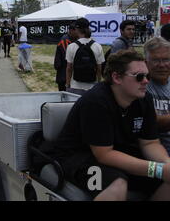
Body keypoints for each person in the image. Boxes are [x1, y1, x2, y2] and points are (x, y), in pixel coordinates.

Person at [51, 50, 170, 201]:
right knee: (116, 184)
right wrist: (157, 170)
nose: (146, 81)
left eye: (148, 76)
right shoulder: (96, 102)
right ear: (116, 77)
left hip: (119, 152)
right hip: (79, 158)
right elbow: (104, 155)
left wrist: (166, 165)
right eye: (139, 77)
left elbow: (150, 142)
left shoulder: (144, 98)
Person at [65, 18, 104, 95]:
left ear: (76, 29)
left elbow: (69, 68)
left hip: (75, 86)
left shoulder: (71, 46)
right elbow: (99, 69)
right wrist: (98, 83)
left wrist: (68, 84)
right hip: (92, 87)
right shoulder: (97, 46)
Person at [144, 37, 170, 155]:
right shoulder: (140, 85)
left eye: (166, 59)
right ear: (146, 62)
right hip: (154, 155)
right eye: (155, 60)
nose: (162, 65)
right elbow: (151, 122)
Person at [54, 23, 77, 91]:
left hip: (68, 72)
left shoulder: (73, 39)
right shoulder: (65, 40)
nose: (78, 32)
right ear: (71, 31)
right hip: (63, 73)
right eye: (76, 30)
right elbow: (67, 57)